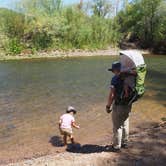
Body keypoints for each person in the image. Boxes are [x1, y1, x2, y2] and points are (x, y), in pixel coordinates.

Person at [106, 61, 132, 152]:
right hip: (128, 104)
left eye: (113, 70)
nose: (113, 72)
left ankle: (116, 146)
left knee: (117, 126)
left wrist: (108, 106)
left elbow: (112, 95)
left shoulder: (115, 79)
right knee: (125, 122)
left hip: (119, 105)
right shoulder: (129, 78)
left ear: (116, 70)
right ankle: (125, 142)